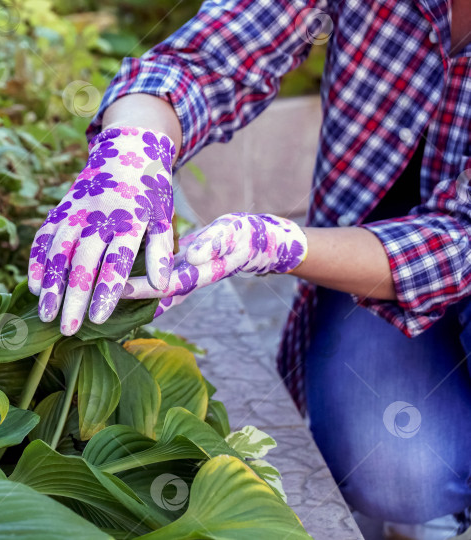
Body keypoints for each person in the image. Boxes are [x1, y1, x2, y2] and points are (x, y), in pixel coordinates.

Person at [28, 0, 471, 537]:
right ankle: (428, 506)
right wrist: (130, 149)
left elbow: (461, 240)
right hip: (370, 257)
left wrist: (277, 244)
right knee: (401, 470)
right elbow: (210, 59)